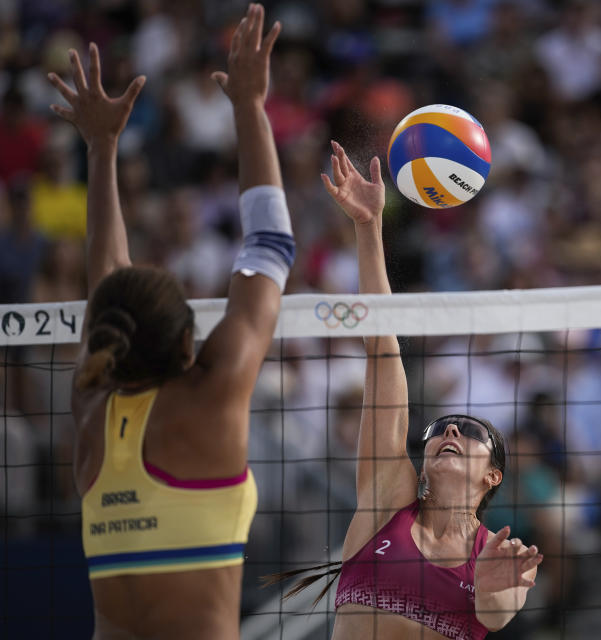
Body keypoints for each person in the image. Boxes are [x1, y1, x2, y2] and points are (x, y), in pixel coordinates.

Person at [52, 5, 290, 638]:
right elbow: (270, 243)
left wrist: (99, 151)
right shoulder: (208, 399)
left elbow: (110, 285)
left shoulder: (91, 411)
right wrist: (249, 105)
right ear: (188, 342)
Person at [267, 141, 542, 638]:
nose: (451, 428)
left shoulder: (497, 552)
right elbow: (381, 349)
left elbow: (498, 614)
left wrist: (497, 587)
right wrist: (368, 227)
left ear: (493, 476)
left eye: (471, 431)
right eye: (440, 428)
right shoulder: (388, 497)